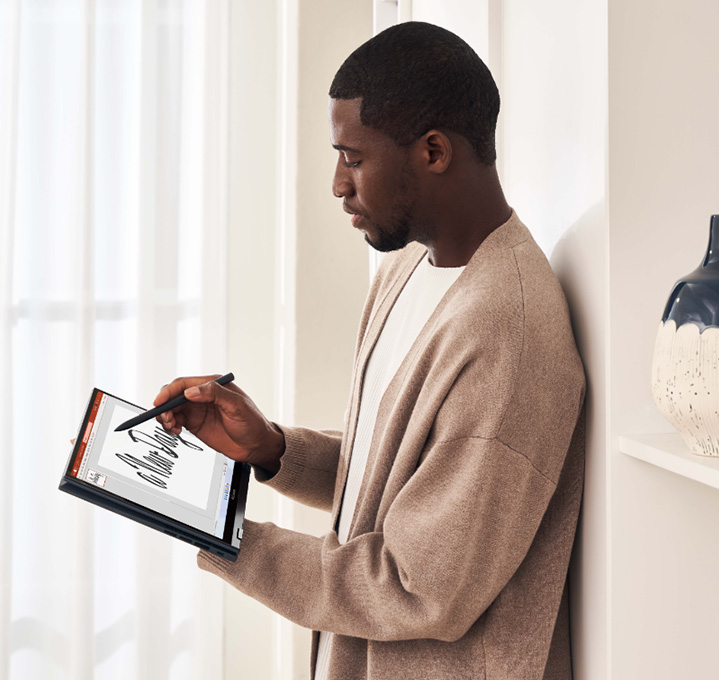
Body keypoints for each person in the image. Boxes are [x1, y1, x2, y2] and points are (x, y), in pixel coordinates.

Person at [152, 21, 586, 680]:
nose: (336, 184)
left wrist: (226, 536)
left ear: (433, 151)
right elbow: (399, 486)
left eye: (353, 158)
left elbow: (420, 584)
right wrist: (271, 449)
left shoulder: (509, 332)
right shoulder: (408, 271)